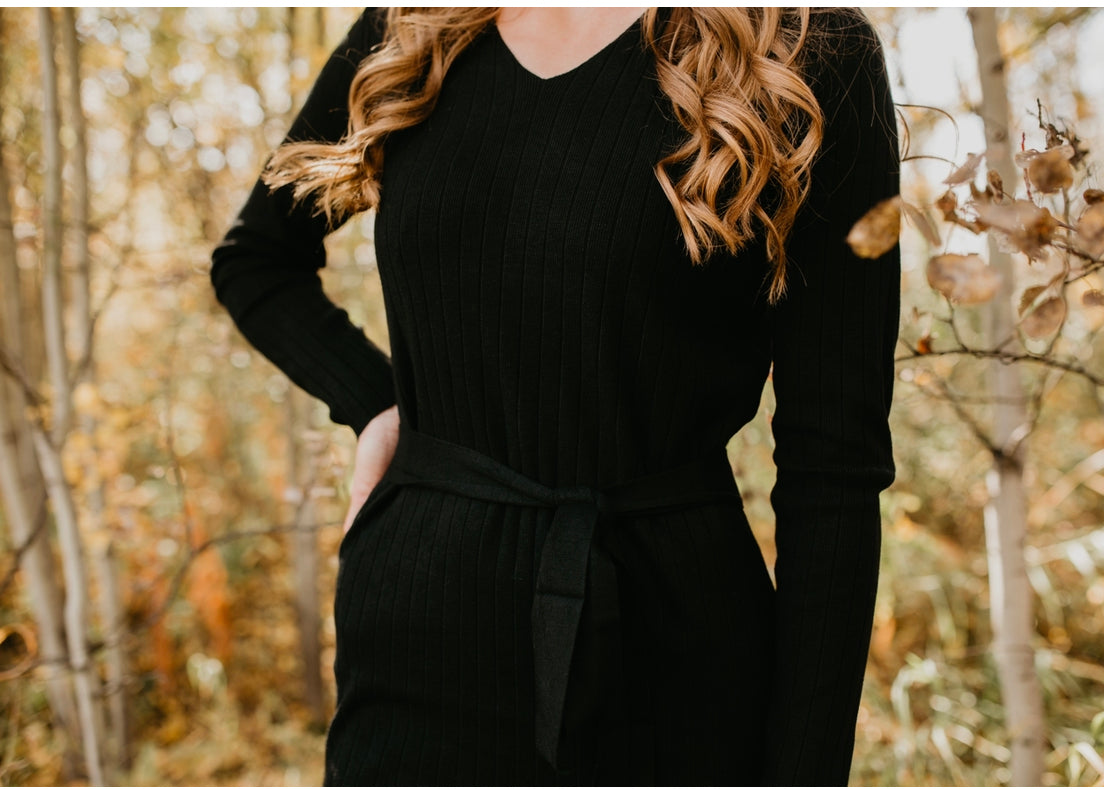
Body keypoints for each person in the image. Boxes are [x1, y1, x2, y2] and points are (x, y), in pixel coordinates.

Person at [211, 6, 900, 785]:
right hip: (416, 636)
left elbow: (833, 470)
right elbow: (258, 259)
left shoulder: (808, 51)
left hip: (671, 655)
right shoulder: (412, 26)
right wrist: (376, 402)